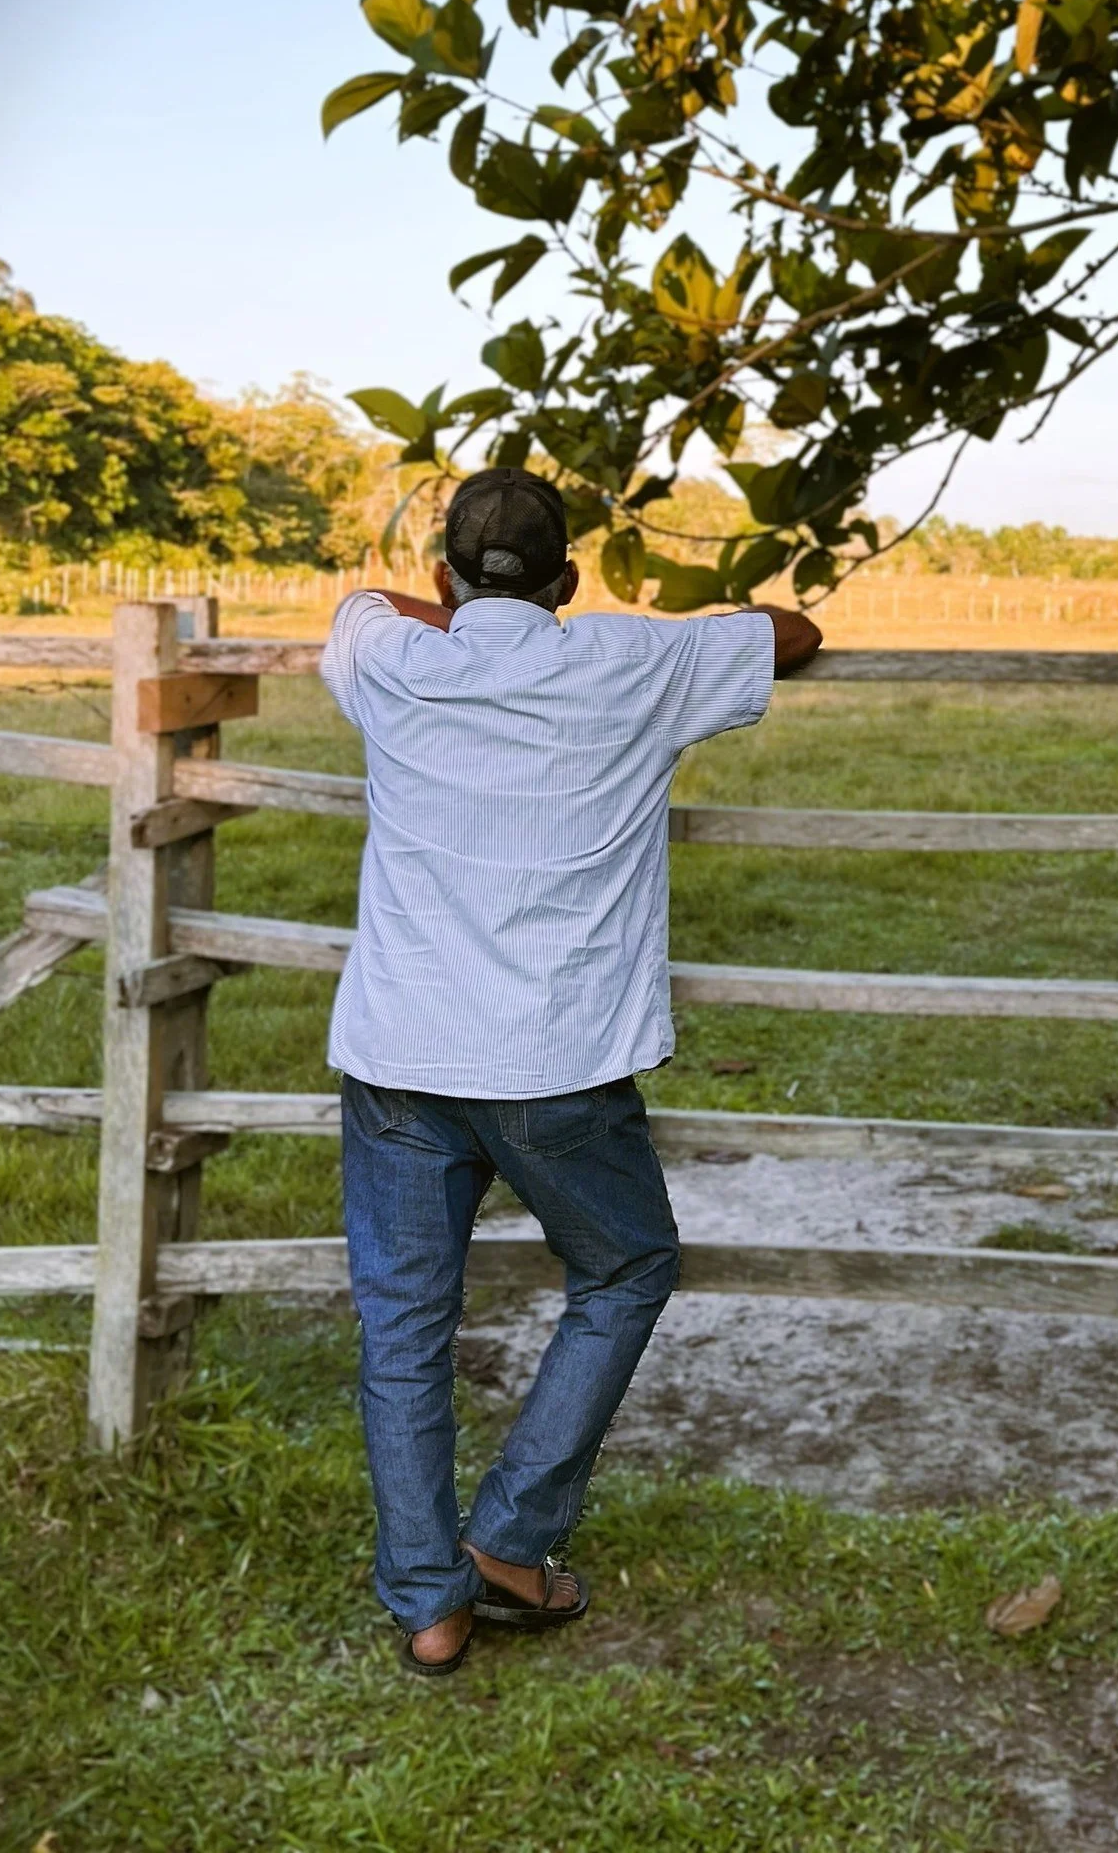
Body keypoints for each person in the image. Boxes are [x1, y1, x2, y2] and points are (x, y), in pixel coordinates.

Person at [319, 466, 823, 1676]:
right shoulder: (628, 663)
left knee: (403, 1325)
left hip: (398, 1052)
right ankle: (511, 1533)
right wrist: (581, 628)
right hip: (555, 1061)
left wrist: (448, 613)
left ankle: (429, 1605)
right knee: (630, 1260)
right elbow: (795, 631)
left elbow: (359, 600)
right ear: (568, 581)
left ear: (445, 575)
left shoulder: (391, 659)